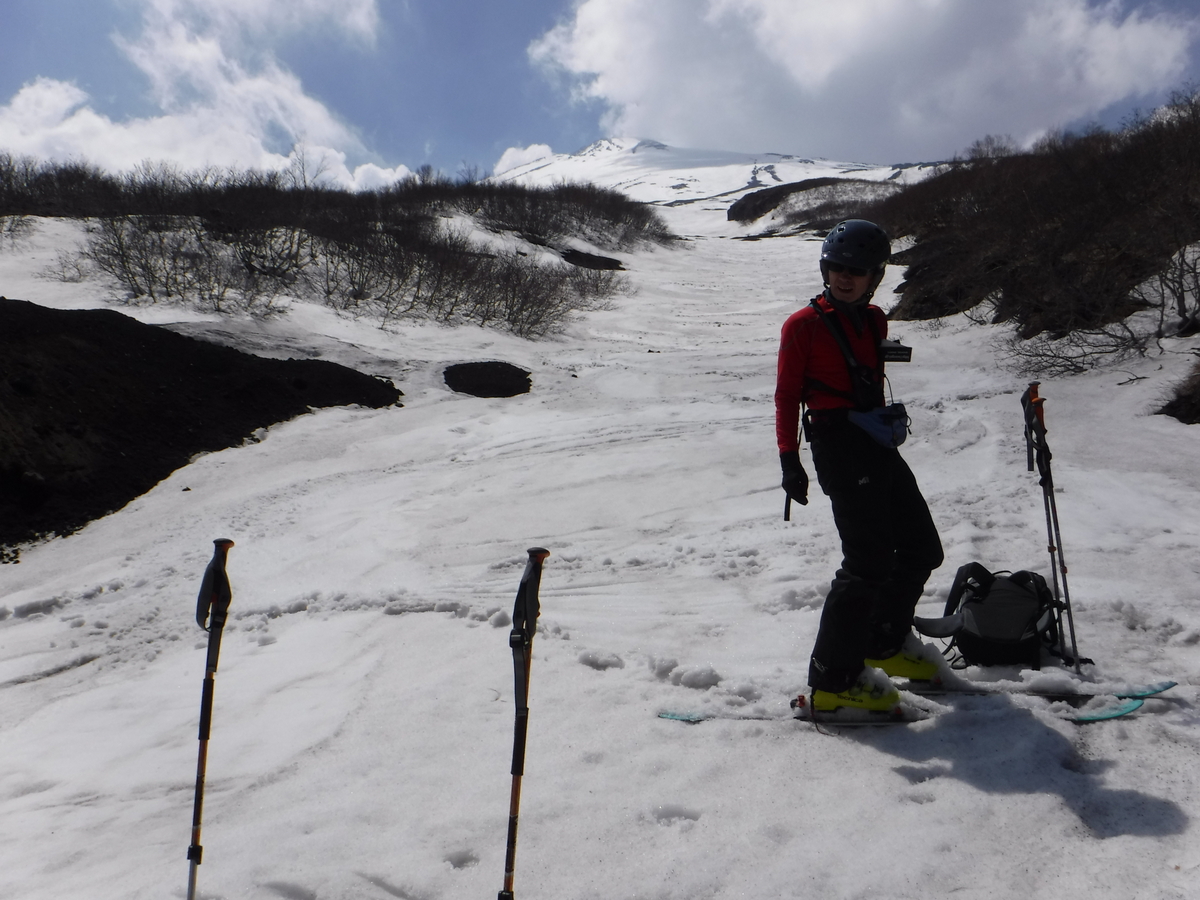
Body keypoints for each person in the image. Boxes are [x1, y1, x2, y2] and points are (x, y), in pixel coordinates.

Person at [774, 219, 944, 714]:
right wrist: (790, 459)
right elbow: (786, 397)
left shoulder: (874, 320)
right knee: (867, 562)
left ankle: (883, 643)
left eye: (857, 270)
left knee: (920, 548)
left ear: (876, 276)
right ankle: (833, 677)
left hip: (873, 442)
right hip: (837, 445)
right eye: (837, 267)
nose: (845, 277)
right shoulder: (801, 326)